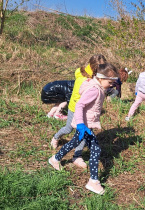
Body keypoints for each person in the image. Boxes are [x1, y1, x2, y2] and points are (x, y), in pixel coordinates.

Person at [48, 63, 119, 195]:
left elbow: (100, 95)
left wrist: (110, 90)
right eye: (110, 82)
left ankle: (55, 159)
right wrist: (80, 124)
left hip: (86, 125)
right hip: (84, 125)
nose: (112, 85)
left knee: (74, 143)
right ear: (100, 79)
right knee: (96, 149)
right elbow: (80, 105)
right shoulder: (94, 90)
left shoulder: (98, 87)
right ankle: (93, 181)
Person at [51, 54, 107, 170]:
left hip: (87, 112)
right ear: (95, 68)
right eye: (101, 68)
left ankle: (77, 155)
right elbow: (79, 100)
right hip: (75, 109)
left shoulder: (95, 78)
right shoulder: (83, 79)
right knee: (69, 129)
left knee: (83, 134)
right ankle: (56, 138)